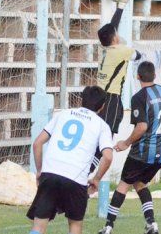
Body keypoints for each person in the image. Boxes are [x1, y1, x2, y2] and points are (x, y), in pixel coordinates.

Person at [99, 61, 161, 234]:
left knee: (123, 185)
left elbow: (141, 127)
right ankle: (152, 224)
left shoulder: (139, 97)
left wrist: (126, 143)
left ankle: (108, 227)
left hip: (143, 152)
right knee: (140, 184)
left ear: (138, 77)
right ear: (154, 75)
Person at [27, 86, 114, 234]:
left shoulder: (63, 114)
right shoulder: (102, 126)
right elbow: (108, 156)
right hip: (76, 179)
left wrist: (40, 170)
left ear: (81, 100)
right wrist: (96, 179)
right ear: (102, 107)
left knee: (39, 224)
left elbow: (37, 144)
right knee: (74, 225)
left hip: (50, 174)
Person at [92, 2, 142, 171]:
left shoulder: (103, 48)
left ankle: (86, 169)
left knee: (95, 137)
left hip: (97, 96)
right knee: (106, 139)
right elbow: (138, 56)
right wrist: (125, 44)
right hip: (111, 98)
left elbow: (112, 27)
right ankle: (87, 173)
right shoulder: (121, 50)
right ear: (114, 38)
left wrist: (120, 7)